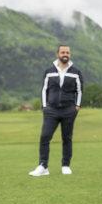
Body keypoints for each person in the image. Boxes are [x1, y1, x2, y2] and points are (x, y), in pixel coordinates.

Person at [29, 45, 84, 176]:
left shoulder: (76, 72)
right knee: (44, 137)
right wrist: (44, 106)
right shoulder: (49, 71)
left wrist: (77, 106)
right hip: (51, 110)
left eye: (68, 52)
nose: (66, 54)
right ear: (57, 54)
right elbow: (44, 89)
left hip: (69, 110)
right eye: (63, 52)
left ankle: (65, 165)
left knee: (67, 138)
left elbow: (80, 90)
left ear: (70, 55)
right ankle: (43, 166)